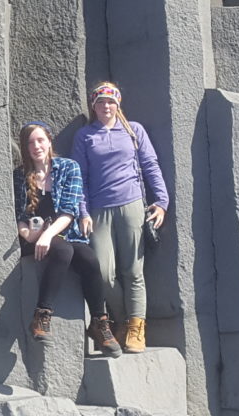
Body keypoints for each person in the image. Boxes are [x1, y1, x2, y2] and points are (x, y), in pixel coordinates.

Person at [72, 82, 168, 353]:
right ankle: (122, 319)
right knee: (103, 271)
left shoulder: (133, 130)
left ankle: (136, 327)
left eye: (110, 102)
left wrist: (162, 202)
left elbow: (151, 165)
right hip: (99, 210)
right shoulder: (85, 136)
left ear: (118, 104)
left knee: (134, 271)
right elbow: (79, 177)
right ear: (93, 105)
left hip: (132, 204)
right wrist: (82, 211)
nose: (106, 107)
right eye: (100, 102)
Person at [15, 121, 121, 357]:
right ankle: (42, 315)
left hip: (63, 232)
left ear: (49, 141)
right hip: (34, 237)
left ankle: (99, 322)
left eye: (40, 140)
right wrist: (28, 234)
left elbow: (69, 211)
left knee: (90, 259)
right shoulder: (20, 175)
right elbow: (20, 216)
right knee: (63, 252)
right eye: (30, 142)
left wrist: (48, 235)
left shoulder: (68, 167)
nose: (36, 146)